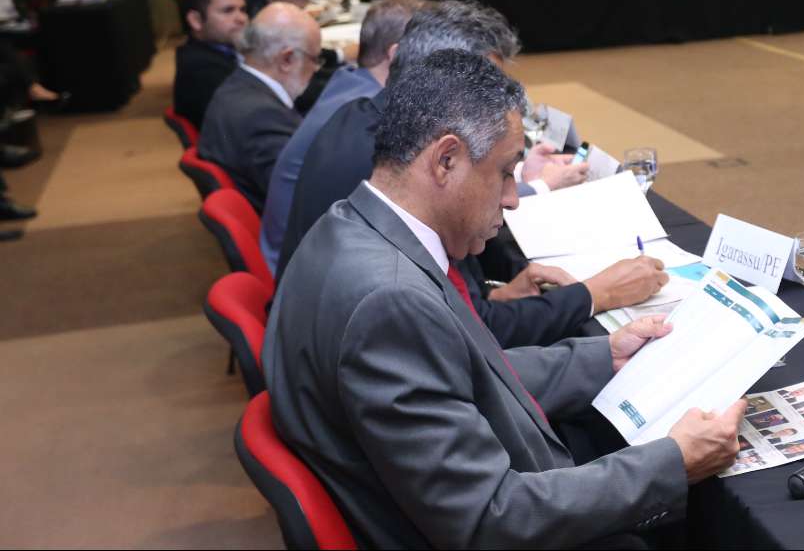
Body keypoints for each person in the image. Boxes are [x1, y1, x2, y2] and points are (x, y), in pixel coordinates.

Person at [263, 48, 742, 548]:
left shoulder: (347, 226)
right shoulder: (391, 301)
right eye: (506, 172)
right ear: (446, 160)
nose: (513, 198)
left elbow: (461, 371)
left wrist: (606, 357)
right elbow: (490, 518)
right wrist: (672, 464)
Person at [278, 3, 590, 290]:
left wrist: (508, 169)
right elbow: (470, 313)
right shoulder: (392, 161)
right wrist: (592, 294)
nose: (496, 101)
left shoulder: (367, 114)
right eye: (481, 87)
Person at [259, 0, 427, 272]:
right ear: (397, 55)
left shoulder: (350, 83)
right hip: (300, 269)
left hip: (300, 254)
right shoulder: (367, 116)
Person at [197, 2, 321, 213]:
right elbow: (304, 197)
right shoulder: (262, 116)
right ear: (287, 59)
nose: (317, 68)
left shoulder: (238, 87)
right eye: (315, 59)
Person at [173, 0, 247, 128]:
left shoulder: (225, 52)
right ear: (196, 20)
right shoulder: (201, 69)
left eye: (243, 10)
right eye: (228, 11)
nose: (241, 18)